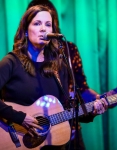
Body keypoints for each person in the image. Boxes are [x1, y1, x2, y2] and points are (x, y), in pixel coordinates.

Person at [0, 5, 108, 150]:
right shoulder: (11, 62)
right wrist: (20, 118)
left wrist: (92, 111)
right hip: (15, 140)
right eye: (37, 23)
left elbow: (67, 111)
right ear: (26, 31)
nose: (43, 28)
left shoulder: (59, 67)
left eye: (48, 24)